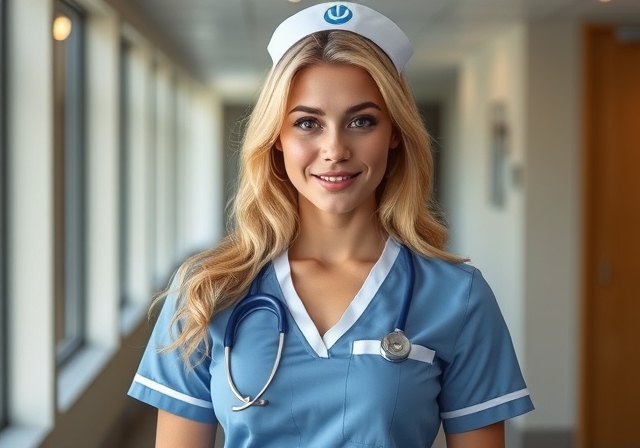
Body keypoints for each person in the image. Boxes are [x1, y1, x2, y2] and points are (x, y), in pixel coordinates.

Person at [128, 2, 534, 447]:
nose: (335, 148)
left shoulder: (458, 297)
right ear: (276, 138)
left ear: (395, 132)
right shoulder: (206, 290)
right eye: (307, 123)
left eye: (362, 121)